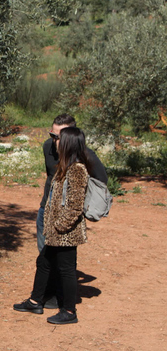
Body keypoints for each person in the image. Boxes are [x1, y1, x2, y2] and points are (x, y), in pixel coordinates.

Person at [13, 127, 93, 324]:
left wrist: (58, 227)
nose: (54, 142)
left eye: (59, 139)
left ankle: (69, 311)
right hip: (56, 232)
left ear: (68, 144)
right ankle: (35, 301)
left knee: (66, 270)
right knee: (44, 262)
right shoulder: (64, 167)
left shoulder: (77, 170)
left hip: (66, 233)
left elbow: (75, 207)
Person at [33, 114, 107, 309]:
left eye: (59, 136)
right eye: (52, 134)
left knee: (63, 262)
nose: (54, 140)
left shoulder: (84, 156)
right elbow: (51, 177)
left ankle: (63, 301)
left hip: (65, 217)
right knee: (45, 257)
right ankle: (44, 296)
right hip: (46, 211)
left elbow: (100, 179)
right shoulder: (47, 147)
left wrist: (75, 208)